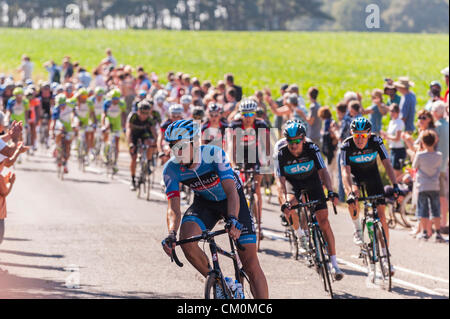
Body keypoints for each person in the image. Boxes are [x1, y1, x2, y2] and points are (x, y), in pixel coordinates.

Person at [161, 119, 268, 299]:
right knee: (186, 240)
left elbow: (231, 192)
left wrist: (233, 219)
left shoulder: (213, 153)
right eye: (172, 146)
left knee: (250, 263)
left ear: (195, 143)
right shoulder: (171, 169)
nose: (176, 151)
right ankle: (221, 284)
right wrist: (171, 233)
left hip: (232, 200)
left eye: (181, 145)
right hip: (205, 202)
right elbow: (174, 208)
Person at [274, 121, 343, 280]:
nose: (293, 145)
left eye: (297, 141)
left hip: (312, 183)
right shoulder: (281, 153)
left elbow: (324, 171)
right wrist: (284, 199)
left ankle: (334, 264)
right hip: (293, 185)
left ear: (303, 139)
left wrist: (330, 191)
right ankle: (300, 235)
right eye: (290, 141)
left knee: (324, 222)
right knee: (290, 205)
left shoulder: (312, 149)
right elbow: (280, 180)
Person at [340, 117, 399, 275]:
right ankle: (357, 229)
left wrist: (395, 185)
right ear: (352, 134)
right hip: (355, 177)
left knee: (382, 216)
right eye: (356, 135)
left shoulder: (376, 141)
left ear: (369, 134)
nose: (360, 139)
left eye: (363, 136)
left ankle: (385, 256)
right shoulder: (346, 145)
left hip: (372, 176)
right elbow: (345, 172)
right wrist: (350, 191)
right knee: (353, 195)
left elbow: (387, 162)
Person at [229, 99, 271, 241]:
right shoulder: (235, 125)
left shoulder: (261, 124)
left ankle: (259, 225)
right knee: (238, 187)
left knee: (256, 189)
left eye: (251, 114)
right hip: (240, 156)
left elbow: (267, 145)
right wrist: (233, 163)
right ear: (240, 114)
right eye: (245, 114)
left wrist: (268, 162)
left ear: (255, 114)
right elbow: (232, 146)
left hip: (255, 156)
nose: (248, 118)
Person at [412, 130, 445, 243]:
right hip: (434, 185)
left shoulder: (420, 155)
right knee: (436, 209)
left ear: (423, 142)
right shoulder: (439, 155)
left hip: (422, 186)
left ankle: (425, 232)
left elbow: (414, 166)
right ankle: (438, 233)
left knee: (423, 210)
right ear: (435, 141)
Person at [126, 100, 158, 191]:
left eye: (147, 113)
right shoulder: (133, 116)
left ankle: (147, 163)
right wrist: (131, 144)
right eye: (142, 112)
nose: (144, 115)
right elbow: (128, 130)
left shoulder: (149, 119)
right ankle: (133, 180)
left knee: (150, 142)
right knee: (133, 157)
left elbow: (154, 132)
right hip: (134, 135)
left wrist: (156, 142)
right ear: (138, 111)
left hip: (144, 134)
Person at [431, 101, 449, 234]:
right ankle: (443, 222)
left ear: (436, 113)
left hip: (434, 166)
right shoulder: (448, 125)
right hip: (444, 165)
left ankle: (435, 223)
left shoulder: (435, 127)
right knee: (443, 196)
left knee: (435, 196)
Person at [102, 89, 127, 172]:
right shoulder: (107, 103)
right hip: (108, 121)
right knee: (106, 136)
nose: (115, 101)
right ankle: (105, 152)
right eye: (114, 99)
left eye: (117, 99)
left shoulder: (122, 104)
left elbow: (123, 115)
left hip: (117, 123)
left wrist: (124, 126)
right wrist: (103, 125)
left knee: (116, 143)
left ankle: (115, 162)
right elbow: (104, 115)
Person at [380, 103, 406, 179]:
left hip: (399, 149)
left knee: (397, 171)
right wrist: (385, 136)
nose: (391, 113)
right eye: (390, 111)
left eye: (393, 111)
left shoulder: (399, 122)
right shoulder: (392, 122)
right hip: (393, 149)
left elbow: (397, 138)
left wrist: (387, 135)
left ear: (398, 112)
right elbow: (390, 136)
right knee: (393, 171)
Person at [50, 94, 74, 174]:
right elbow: (53, 122)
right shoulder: (56, 109)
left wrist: (75, 123)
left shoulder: (70, 105)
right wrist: (52, 131)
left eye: (63, 104)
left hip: (69, 127)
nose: (62, 107)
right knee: (59, 133)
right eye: (61, 105)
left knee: (68, 146)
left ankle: (66, 164)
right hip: (59, 127)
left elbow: (74, 113)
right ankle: (56, 147)